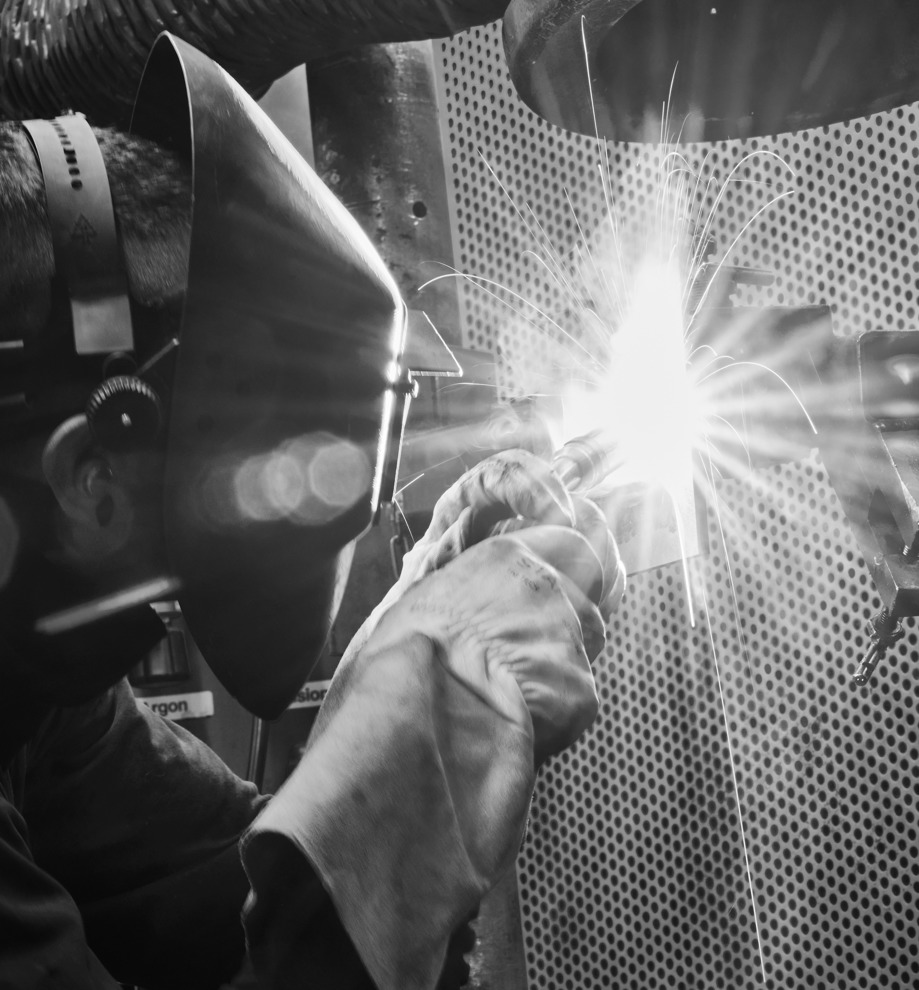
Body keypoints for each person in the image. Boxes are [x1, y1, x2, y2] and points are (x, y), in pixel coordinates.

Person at [0, 35, 625, 990]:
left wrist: (384, 696)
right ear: (92, 475)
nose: (161, 611)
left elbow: (230, 899)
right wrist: (430, 725)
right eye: (173, 572)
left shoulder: (34, 683)